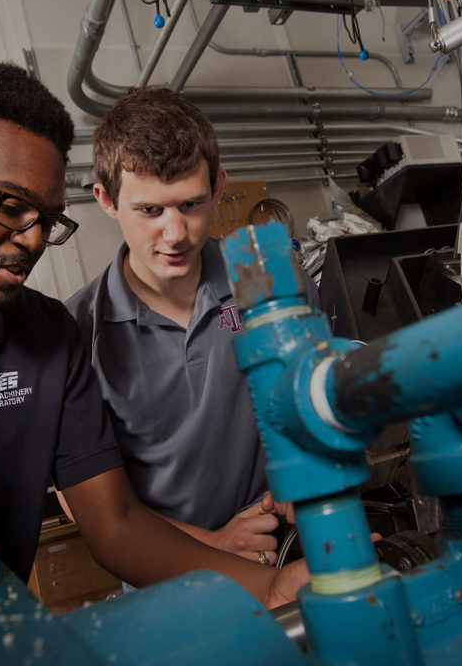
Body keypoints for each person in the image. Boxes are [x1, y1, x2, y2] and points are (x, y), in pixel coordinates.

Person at [0, 59, 305, 608]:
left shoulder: (46, 335)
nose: (32, 240)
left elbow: (116, 524)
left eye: (49, 219)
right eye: (11, 206)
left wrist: (273, 580)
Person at [65, 87, 319, 565]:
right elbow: (85, 498)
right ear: (106, 200)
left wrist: (303, 463)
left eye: (191, 204)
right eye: (150, 210)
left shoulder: (269, 273)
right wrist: (214, 545)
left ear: (218, 187)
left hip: (287, 540)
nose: (176, 233)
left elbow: (315, 388)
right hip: (165, 565)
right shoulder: (76, 332)